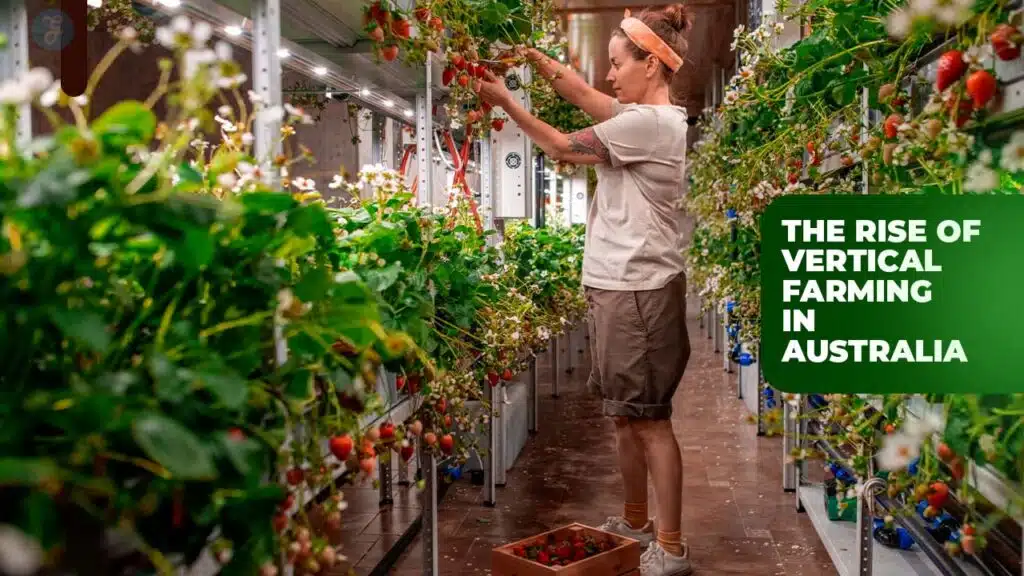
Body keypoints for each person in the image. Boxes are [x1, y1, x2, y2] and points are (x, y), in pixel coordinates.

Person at [474, 4, 694, 576]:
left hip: (640, 291)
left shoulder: (651, 124)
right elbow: (581, 94)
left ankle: (670, 546)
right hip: (618, 286)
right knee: (624, 414)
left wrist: (507, 103)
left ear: (651, 64)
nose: (609, 76)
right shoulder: (635, 114)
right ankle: (637, 519)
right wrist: (532, 58)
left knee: (649, 418)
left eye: (618, 64)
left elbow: (563, 147)